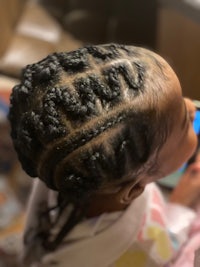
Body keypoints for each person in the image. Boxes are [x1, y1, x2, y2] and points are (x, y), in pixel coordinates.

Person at [8, 43, 200, 267]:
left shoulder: (64, 164)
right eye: (185, 122)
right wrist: (180, 208)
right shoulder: (146, 253)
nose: (192, 107)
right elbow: (170, 245)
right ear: (134, 190)